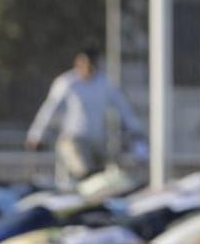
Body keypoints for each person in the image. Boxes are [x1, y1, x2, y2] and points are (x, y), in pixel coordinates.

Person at [25, 47, 142, 183]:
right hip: (72, 139)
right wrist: (36, 134)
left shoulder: (105, 84)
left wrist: (136, 131)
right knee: (84, 171)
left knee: (102, 176)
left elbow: (124, 108)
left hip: (97, 141)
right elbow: (49, 108)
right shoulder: (67, 82)